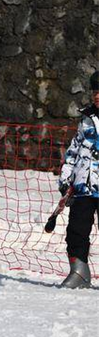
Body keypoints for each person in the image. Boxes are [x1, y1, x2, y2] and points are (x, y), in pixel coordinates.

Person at [57, 70, 99, 288]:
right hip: (84, 186)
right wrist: (66, 178)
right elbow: (74, 151)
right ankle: (79, 272)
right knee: (76, 230)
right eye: (95, 91)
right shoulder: (86, 120)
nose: (97, 96)